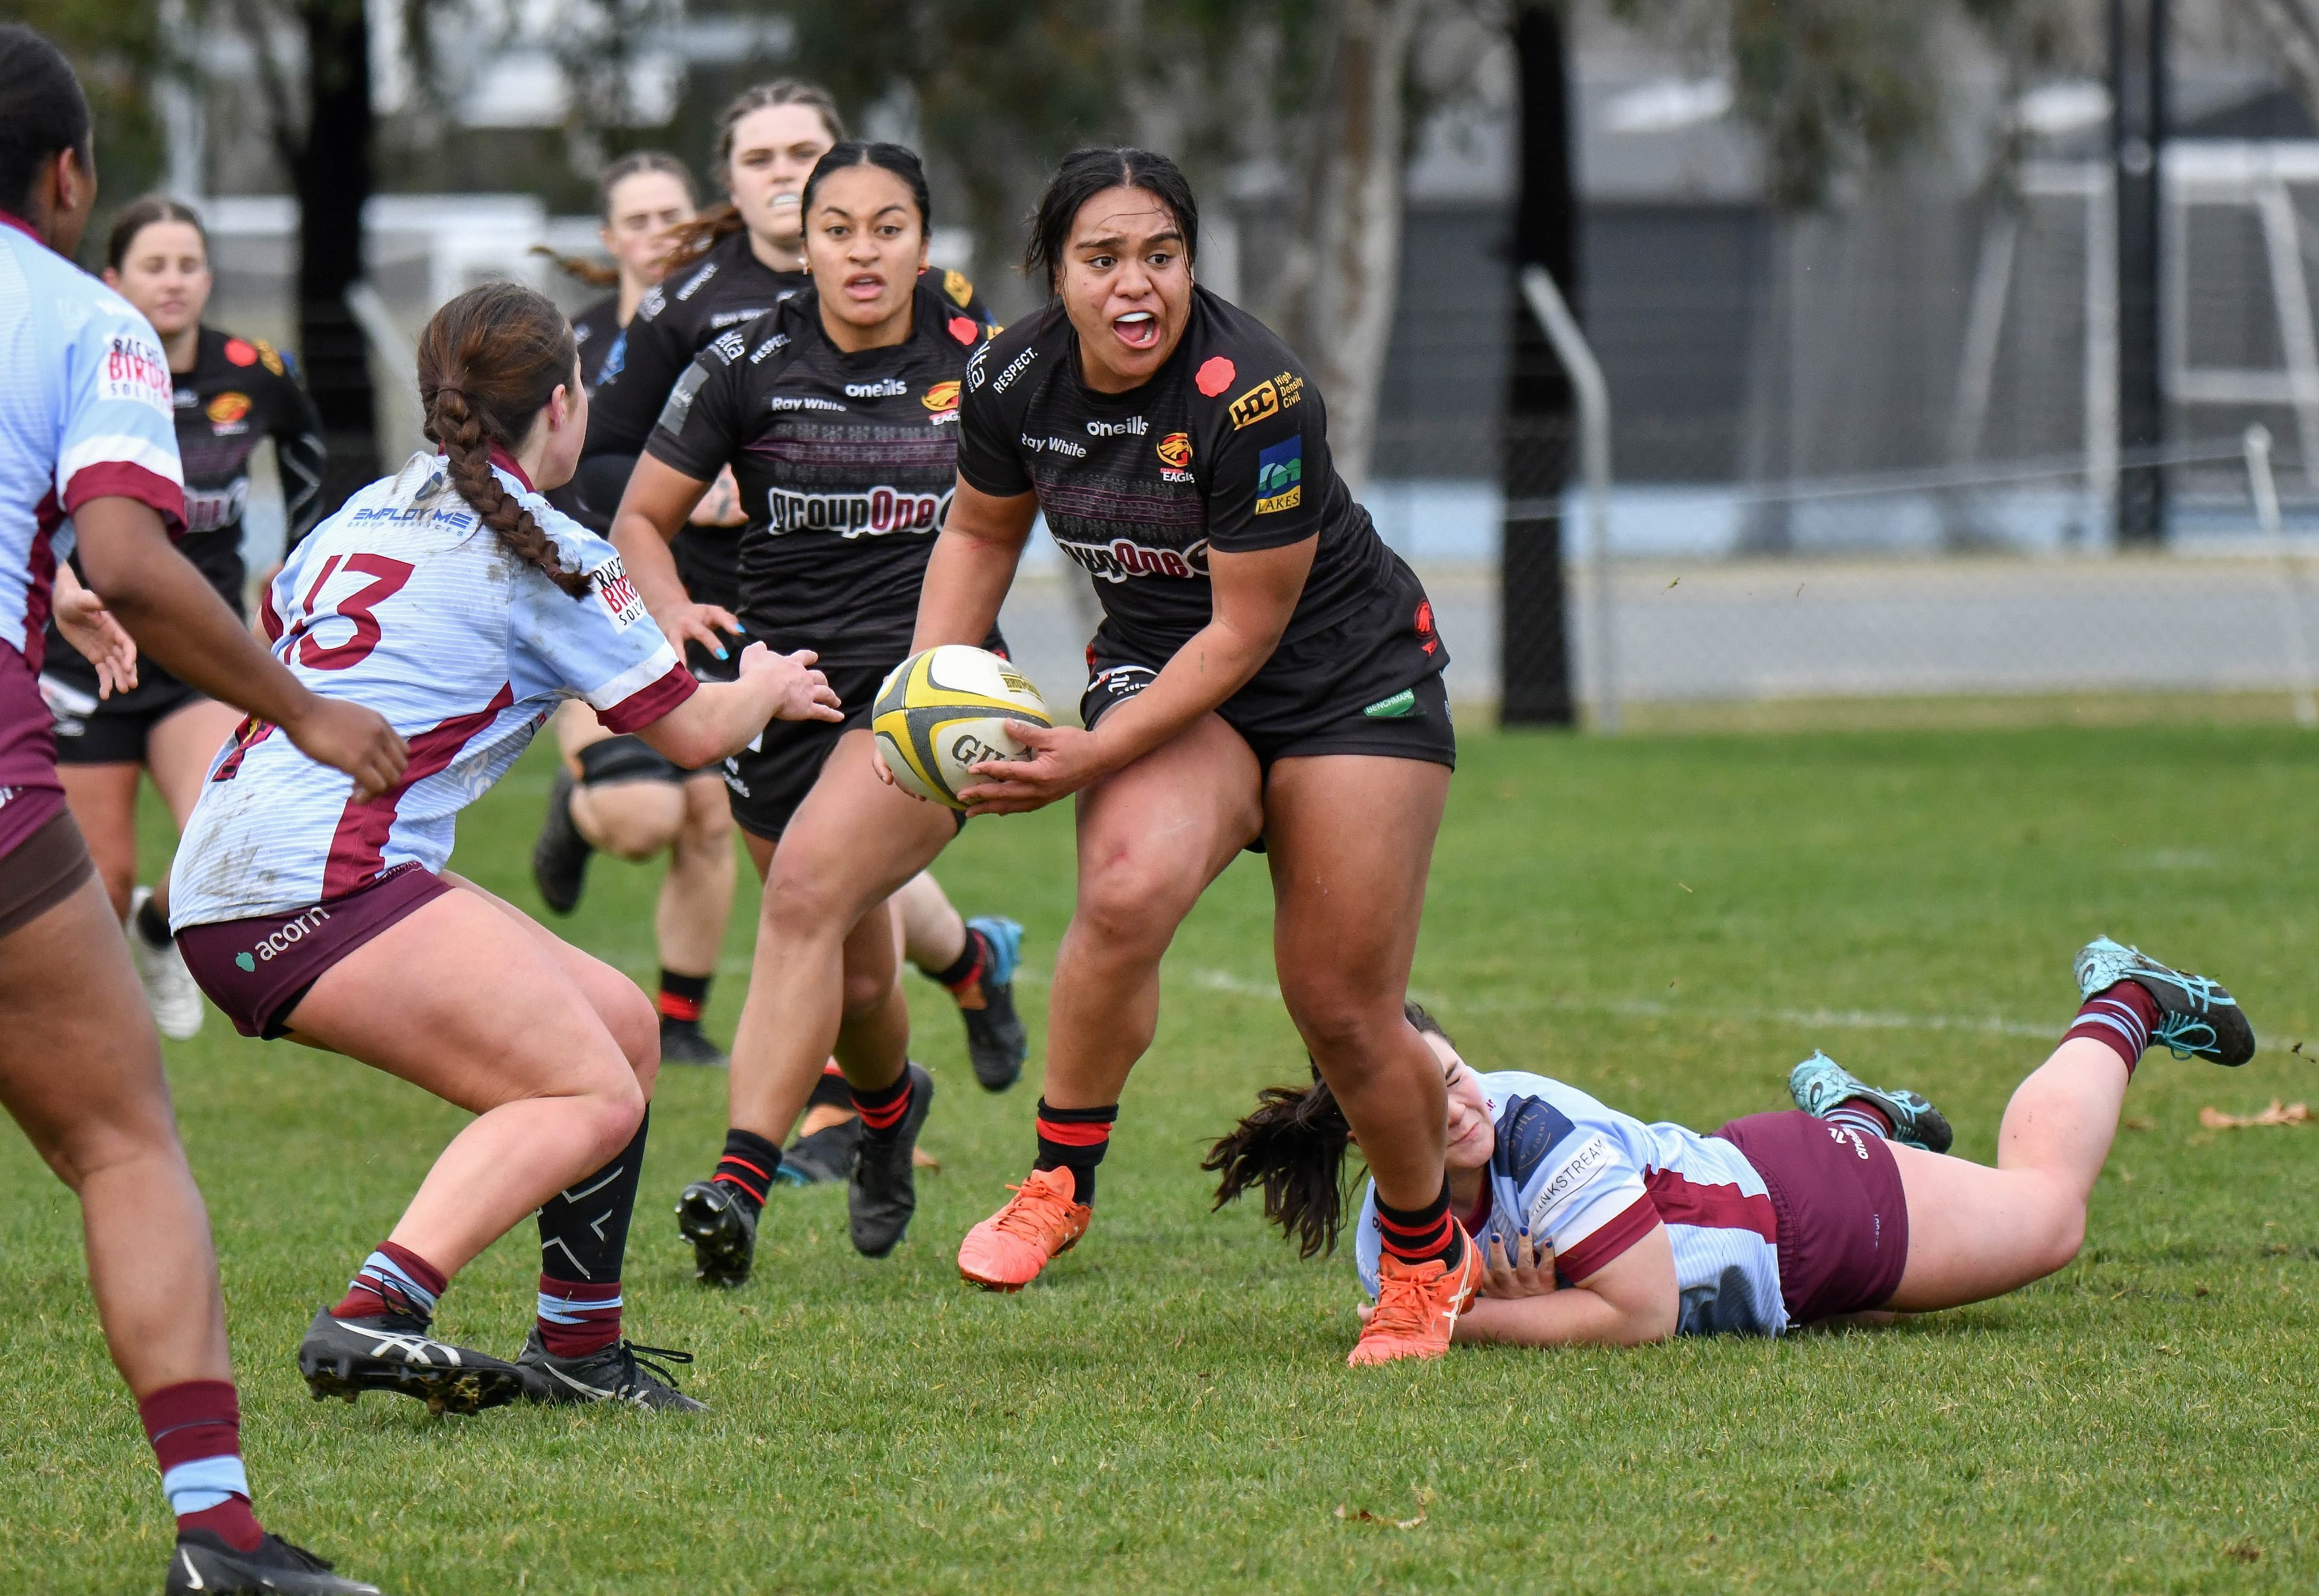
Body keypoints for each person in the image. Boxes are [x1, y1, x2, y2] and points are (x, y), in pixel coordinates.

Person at [166, 282, 841, 1416]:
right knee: (587, 1094)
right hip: (315, 884)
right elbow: (687, 733)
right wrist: (767, 686)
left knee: (622, 1031)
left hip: (232, 869)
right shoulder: (556, 550)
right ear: (565, 407)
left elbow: (286, 620)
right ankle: (379, 1310)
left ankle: (581, 1351)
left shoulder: (365, 509)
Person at [905, 146, 1463, 1367]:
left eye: (1160, 255)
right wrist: (923, 695)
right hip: (1167, 666)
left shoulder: (1252, 391)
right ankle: (1062, 1178)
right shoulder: (1009, 373)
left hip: (1344, 680)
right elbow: (980, 530)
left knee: (1342, 1006)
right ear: (1053, 271)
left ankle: (1427, 1256)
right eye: (1101, 259)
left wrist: (1084, 754)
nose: (1134, 285)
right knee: (1123, 887)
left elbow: (1247, 633)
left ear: (1192, 263)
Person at [0, 27, 400, 1594]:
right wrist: (302, 705)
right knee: (118, 1140)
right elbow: (138, 558)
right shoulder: (86, 319)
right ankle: (220, 1537)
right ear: (72, 176)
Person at [610, 141, 1024, 1283]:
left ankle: (738, 1179)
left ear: (924, 243)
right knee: (853, 974)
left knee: (799, 899)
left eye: (889, 228)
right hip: (778, 695)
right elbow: (641, 520)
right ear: (809, 237)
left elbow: (1081, 480)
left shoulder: (982, 363)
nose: (863, 251)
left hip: (926, 701)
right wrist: (677, 611)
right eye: (839, 227)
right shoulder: (745, 358)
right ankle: (891, 1113)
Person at [1208, 940, 2256, 1348]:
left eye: (1454, 1074)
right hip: (1760, 1204)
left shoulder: (1535, 1129)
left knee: (2046, 1215)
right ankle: (1860, 1117)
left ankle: (2122, 999)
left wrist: (1470, 1322)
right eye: (1425, 1105)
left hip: (1803, 1217)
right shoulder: (1395, 1229)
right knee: (1894, 1303)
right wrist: (1508, 1303)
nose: (1460, 1107)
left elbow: (1641, 1314)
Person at [36, 195, 326, 1042]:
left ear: (208, 278)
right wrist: (55, 578)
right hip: (83, 648)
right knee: (96, 877)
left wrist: (297, 557)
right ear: (112, 280)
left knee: (228, 834)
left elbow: (308, 450)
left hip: (198, 645)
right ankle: (103, 1044)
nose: (173, 283)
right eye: (153, 267)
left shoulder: (255, 369)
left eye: (188, 266)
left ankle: (162, 925)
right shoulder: (75, 369)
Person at [528, 150, 739, 1066]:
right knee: (644, 820)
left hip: (710, 610)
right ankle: (574, 818)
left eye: (672, 216)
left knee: (710, 812)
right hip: (588, 618)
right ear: (611, 238)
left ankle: (682, 1021)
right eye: (638, 219)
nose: (658, 234)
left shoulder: (738, 341)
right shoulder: (565, 351)